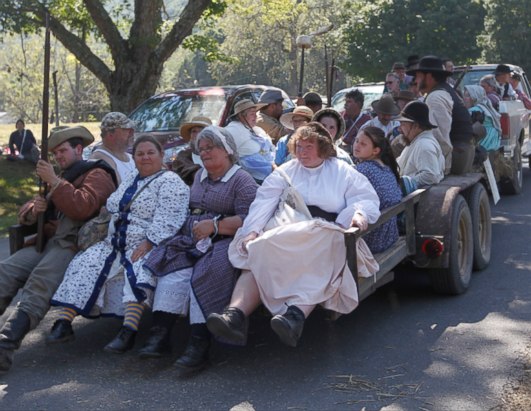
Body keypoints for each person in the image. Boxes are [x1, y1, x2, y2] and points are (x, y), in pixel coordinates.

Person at [206, 122, 380, 348]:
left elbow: (365, 198)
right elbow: (263, 202)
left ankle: (294, 317)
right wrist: (252, 232)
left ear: (323, 147)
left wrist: (359, 214)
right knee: (259, 250)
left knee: (319, 256)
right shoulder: (286, 171)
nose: (302, 152)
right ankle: (234, 315)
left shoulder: (342, 171)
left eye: (309, 147)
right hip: (286, 228)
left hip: (323, 231)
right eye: (299, 146)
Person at [47, 135, 190, 354]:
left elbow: (170, 217)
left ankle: (128, 331)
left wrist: (150, 241)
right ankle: (64, 322)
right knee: (86, 261)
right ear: (134, 158)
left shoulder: (170, 182)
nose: (145, 158)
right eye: (140, 154)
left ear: (162, 155)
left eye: (151, 153)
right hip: (113, 241)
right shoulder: (133, 177)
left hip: (146, 242)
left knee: (140, 269)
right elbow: (113, 203)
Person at [139, 126, 258, 374]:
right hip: (192, 239)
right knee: (172, 269)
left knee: (205, 273)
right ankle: (160, 335)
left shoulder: (241, 179)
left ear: (226, 150)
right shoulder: (199, 176)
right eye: (201, 149)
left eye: (210, 147)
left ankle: (199, 344)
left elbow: (251, 219)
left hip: (225, 241)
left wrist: (215, 226)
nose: (204, 153)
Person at [0, 126, 117, 373]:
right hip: (47, 241)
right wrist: (35, 211)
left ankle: (5, 345)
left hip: (73, 246)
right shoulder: (59, 176)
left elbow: (83, 207)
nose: (59, 157)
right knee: (6, 271)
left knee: (39, 284)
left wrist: (54, 181)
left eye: (63, 151)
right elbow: (27, 212)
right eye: (55, 153)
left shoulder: (98, 174)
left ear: (78, 149)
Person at [407, 55, 474, 175]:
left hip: (455, 158)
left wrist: (438, 169)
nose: (415, 81)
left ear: (428, 77)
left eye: (417, 76)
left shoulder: (435, 98)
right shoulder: (442, 92)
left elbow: (440, 138)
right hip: (460, 153)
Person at [353, 126, 402, 253]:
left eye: (363, 144)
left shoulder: (364, 169)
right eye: (356, 141)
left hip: (374, 237)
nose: (357, 145)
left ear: (375, 151)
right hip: (389, 233)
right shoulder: (385, 167)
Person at [396, 101, 445, 191]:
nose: (399, 129)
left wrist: (405, 184)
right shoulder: (415, 142)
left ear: (416, 126)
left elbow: (431, 175)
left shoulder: (424, 145)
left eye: (403, 124)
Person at [225, 99, 275, 183]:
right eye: (252, 114)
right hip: (253, 178)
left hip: (271, 170)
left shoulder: (256, 129)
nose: (255, 116)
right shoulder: (233, 130)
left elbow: (271, 147)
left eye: (255, 113)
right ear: (241, 116)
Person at [91, 112, 136, 184]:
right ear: (110, 135)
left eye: (131, 129)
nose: (131, 133)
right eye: (126, 130)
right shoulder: (100, 159)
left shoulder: (130, 156)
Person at [172, 116, 213, 185]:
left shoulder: (217, 154)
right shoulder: (183, 156)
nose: (197, 135)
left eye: (201, 131)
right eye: (194, 131)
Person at [463, 85, 501, 152]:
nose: (464, 98)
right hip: (492, 144)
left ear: (474, 97)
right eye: (464, 95)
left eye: (467, 96)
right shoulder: (485, 107)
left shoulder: (475, 110)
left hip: (484, 144)